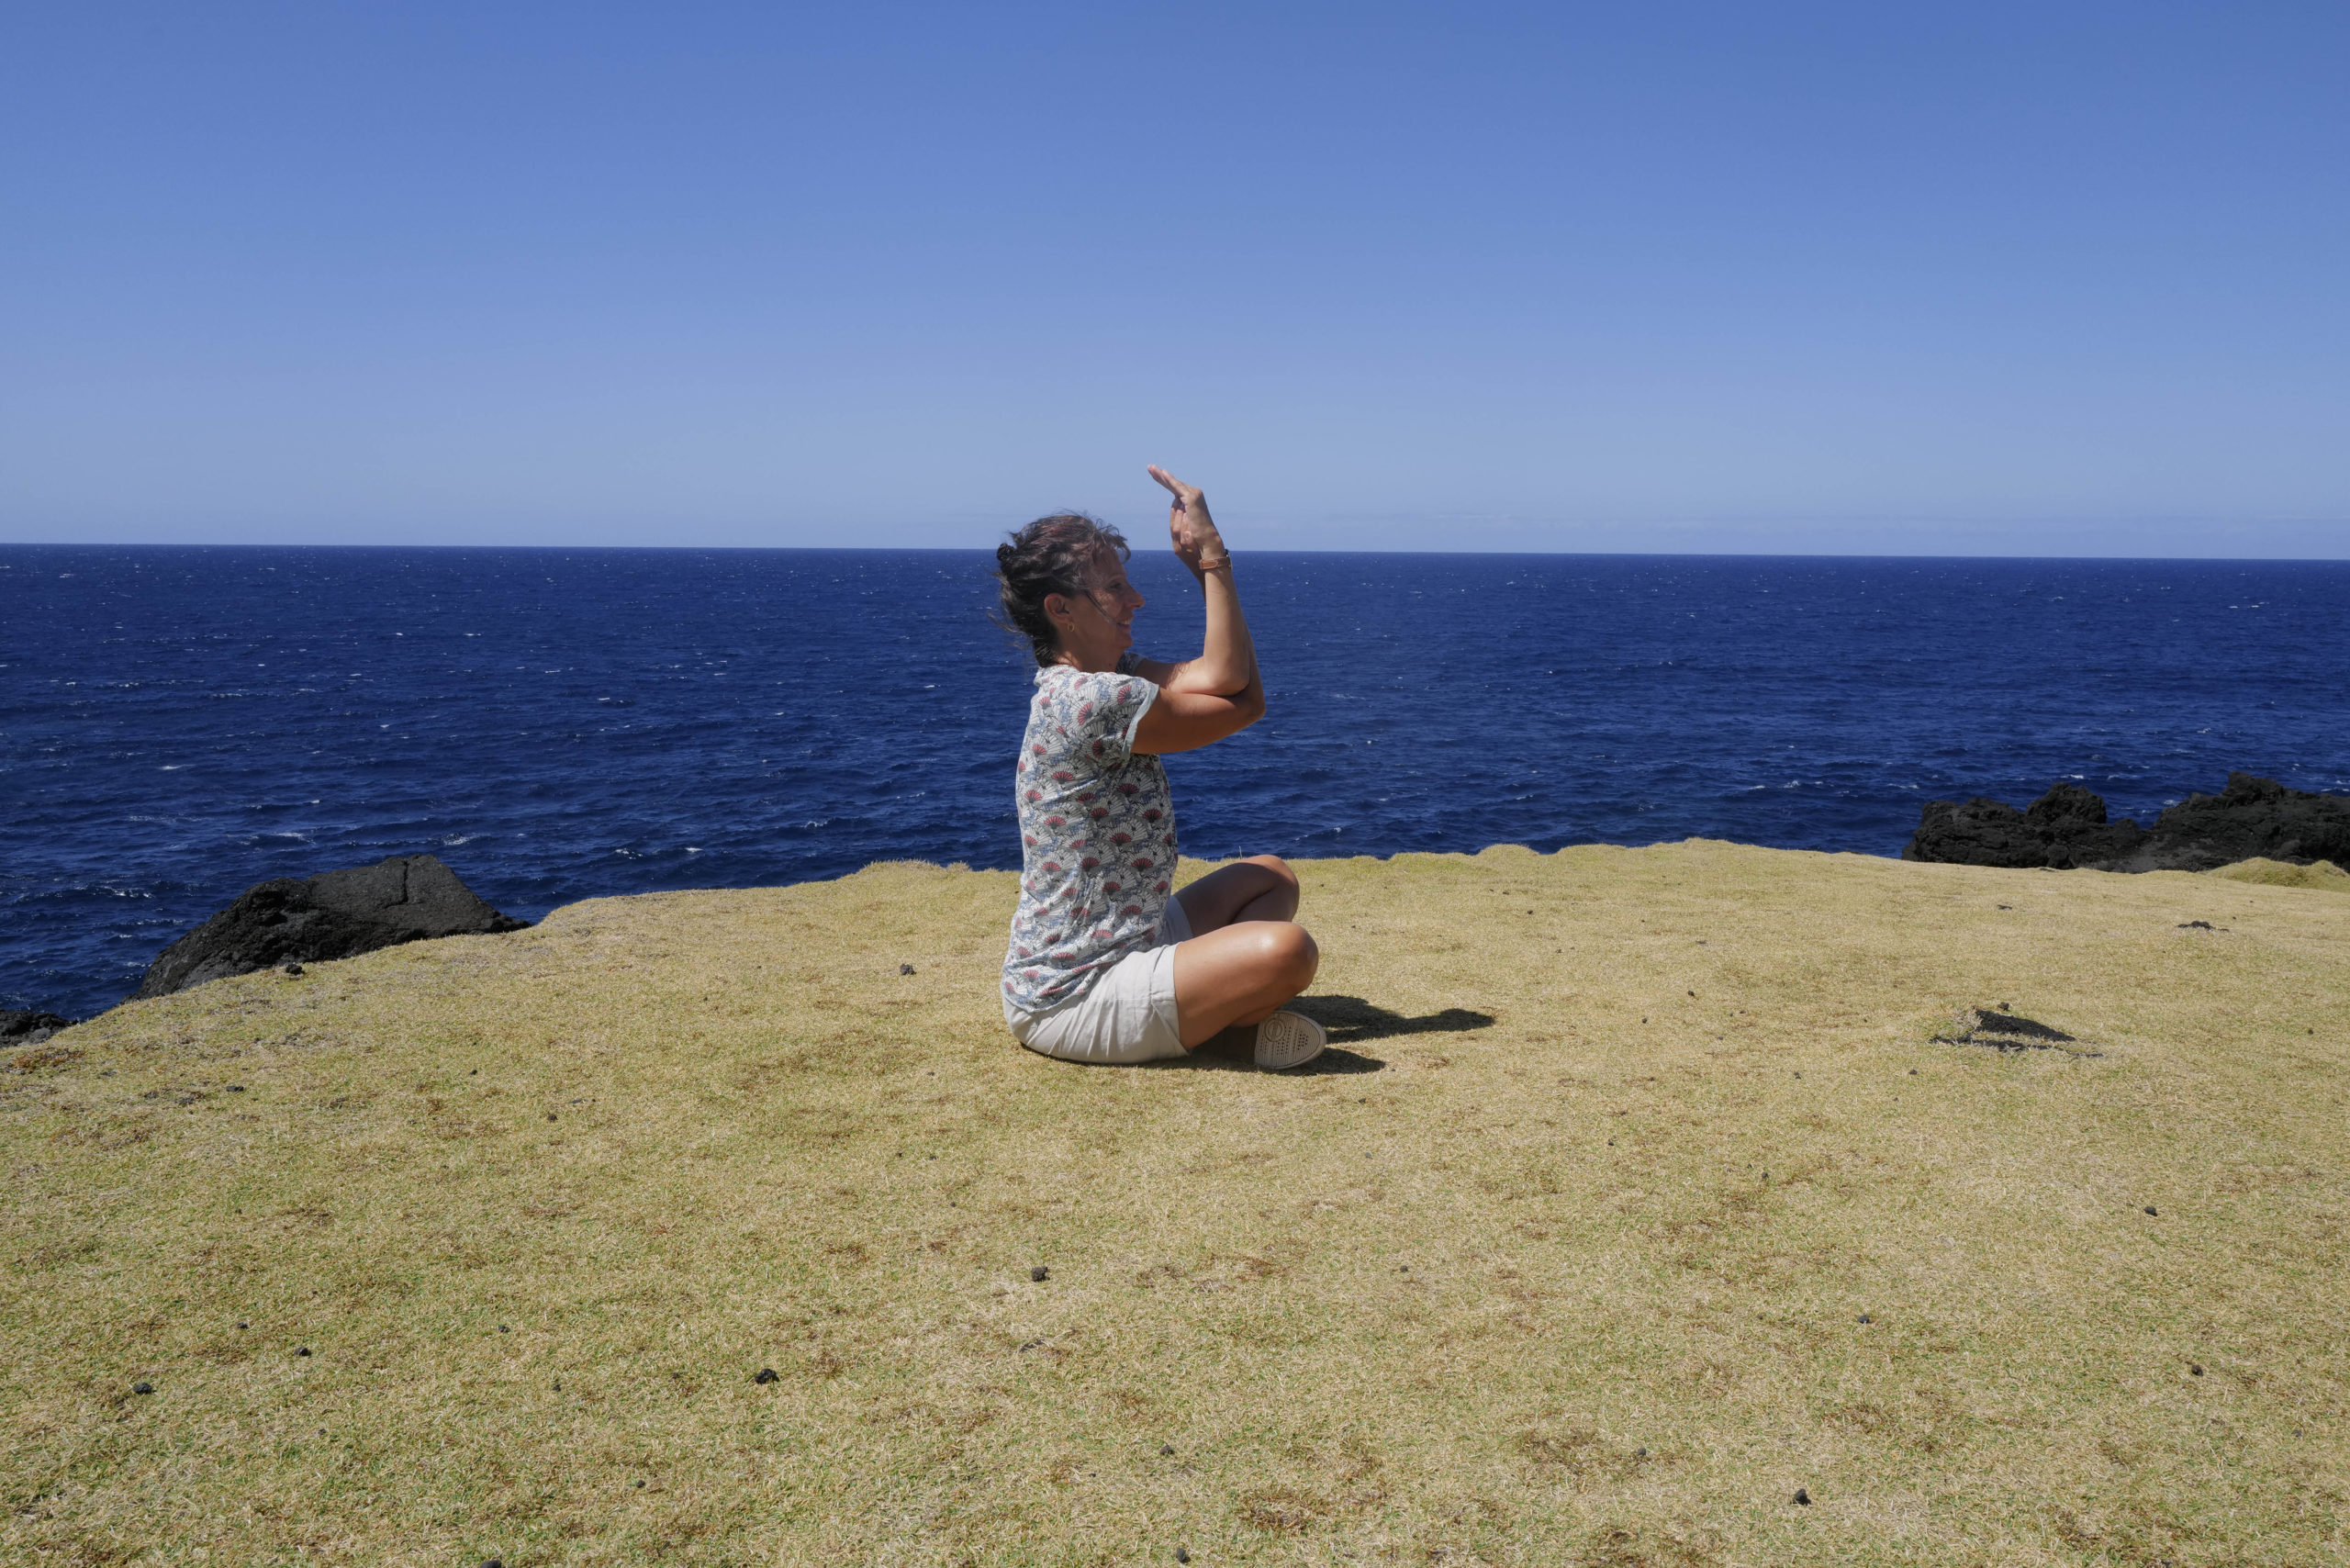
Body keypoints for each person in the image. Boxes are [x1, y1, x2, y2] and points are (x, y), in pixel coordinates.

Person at [993, 466, 1326, 1070]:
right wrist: (1214, 561)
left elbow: (1228, 679)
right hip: (1076, 993)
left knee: (1271, 878)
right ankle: (1231, 1024)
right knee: (1289, 951)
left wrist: (1201, 564)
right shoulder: (1092, 702)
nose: (1134, 600)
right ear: (1060, 609)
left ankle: (1220, 1014)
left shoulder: (1117, 676)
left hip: (1133, 936)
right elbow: (1244, 700)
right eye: (1113, 588)